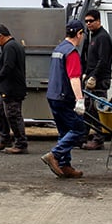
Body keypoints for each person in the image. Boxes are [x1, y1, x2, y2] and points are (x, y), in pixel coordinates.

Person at [41, 19, 87, 178]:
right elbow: (74, 78)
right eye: (82, 34)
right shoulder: (71, 52)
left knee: (64, 131)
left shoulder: (59, 49)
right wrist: (80, 100)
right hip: (64, 97)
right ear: (79, 34)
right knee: (79, 129)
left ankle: (64, 165)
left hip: (53, 95)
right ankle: (55, 155)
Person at [0, 24, 29, 154]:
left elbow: (8, 66)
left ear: (1, 36)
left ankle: (21, 144)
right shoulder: (13, 46)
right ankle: (4, 139)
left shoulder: (10, 47)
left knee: (13, 115)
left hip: (12, 88)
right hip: (7, 88)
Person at [81, 9, 112, 150]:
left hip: (100, 80)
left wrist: (94, 76)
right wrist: (86, 74)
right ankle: (82, 137)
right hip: (91, 77)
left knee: (96, 110)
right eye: (86, 21)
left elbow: (103, 60)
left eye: (91, 21)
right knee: (88, 110)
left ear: (98, 21)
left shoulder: (103, 37)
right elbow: (91, 59)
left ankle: (99, 139)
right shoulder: (92, 36)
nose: (88, 23)